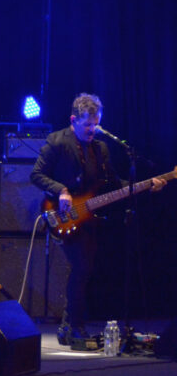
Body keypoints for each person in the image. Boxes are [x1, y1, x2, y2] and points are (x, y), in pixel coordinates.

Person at [30, 93, 166, 347]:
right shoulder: (57, 142)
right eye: (87, 125)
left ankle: (68, 327)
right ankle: (75, 326)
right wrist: (61, 190)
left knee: (86, 269)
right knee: (82, 268)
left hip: (90, 218)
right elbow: (36, 174)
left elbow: (115, 185)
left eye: (95, 124)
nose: (92, 129)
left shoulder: (100, 148)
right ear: (74, 119)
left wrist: (147, 185)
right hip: (63, 215)